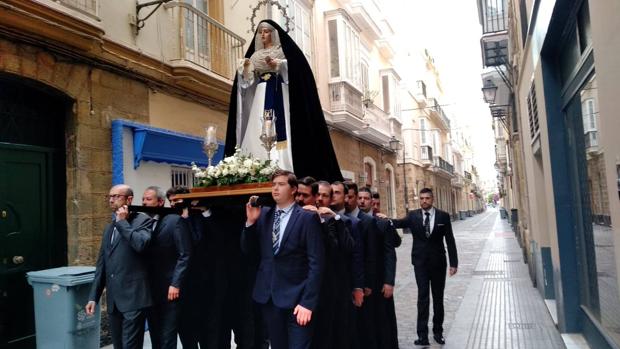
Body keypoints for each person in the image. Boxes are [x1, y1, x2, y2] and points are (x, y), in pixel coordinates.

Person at [225, 19, 342, 182]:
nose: (263, 35)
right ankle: (254, 167)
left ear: (273, 34)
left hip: (279, 92)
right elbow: (247, 82)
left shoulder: (282, 52)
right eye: (260, 32)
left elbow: (296, 70)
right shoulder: (255, 56)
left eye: (266, 31)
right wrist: (243, 69)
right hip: (261, 93)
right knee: (258, 126)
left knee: (281, 126)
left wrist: (279, 65)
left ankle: (284, 165)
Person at [242, 169, 325, 349]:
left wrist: (307, 303)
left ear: (294, 189)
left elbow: (316, 263)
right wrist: (250, 224)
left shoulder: (307, 218)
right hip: (270, 298)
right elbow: (249, 251)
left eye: (281, 184)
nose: (275, 189)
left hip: (298, 301)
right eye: (273, 185)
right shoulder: (263, 215)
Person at [86, 184, 153, 349]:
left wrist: (123, 223)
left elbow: (140, 245)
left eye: (116, 196)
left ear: (129, 199)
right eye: (109, 196)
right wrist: (93, 297)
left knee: (131, 346)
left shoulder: (143, 220)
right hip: (114, 301)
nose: (111, 200)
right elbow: (102, 264)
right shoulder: (109, 227)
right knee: (119, 345)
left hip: (134, 298)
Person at [389, 188, 458, 346]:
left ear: (432, 199)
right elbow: (399, 223)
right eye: (422, 198)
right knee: (423, 298)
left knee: (438, 298)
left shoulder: (443, 216)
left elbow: (450, 240)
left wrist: (454, 263)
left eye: (427, 198)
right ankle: (422, 335)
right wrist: (384, 219)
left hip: (439, 263)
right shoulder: (413, 216)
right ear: (419, 200)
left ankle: (438, 332)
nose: (424, 201)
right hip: (420, 263)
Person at [142, 186, 192, 349]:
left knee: (167, 335)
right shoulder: (143, 223)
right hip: (151, 289)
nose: (144, 202)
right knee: (156, 333)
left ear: (160, 202)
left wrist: (175, 283)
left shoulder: (174, 220)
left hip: (171, 290)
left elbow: (184, 254)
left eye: (148, 199)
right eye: (143, 199)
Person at [358, 187, 400, 349]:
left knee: (383, 318)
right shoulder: (351, 219)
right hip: (363, 280)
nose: (362, 201)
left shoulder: (381, 222)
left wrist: (389, 281)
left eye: (366, 199)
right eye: (360, 198)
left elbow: (392, 249)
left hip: (380, 279)